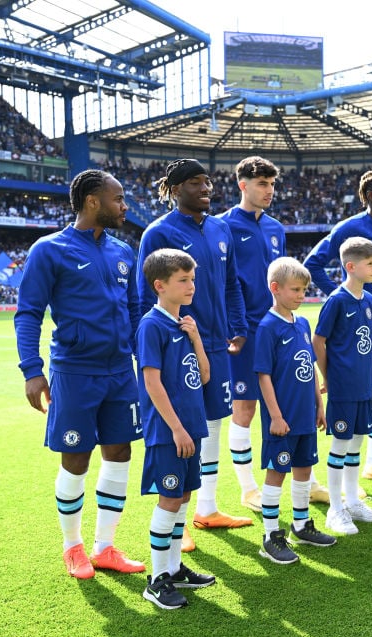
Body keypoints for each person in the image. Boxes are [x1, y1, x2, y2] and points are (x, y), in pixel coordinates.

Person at [14, 169, 145, 579]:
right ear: (93, 201)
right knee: (75, 458)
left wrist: (148, 363)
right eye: (118, 198)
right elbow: (29, 313)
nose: (125, 206)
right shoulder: (49, 250)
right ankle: (73, 547)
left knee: (120, 453)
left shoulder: (124, 251)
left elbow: (136, 312)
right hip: (74, 373)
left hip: (121, 372)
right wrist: (32, 371)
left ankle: (105, 547)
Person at [137, 159, 252, 552]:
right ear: (175, 188)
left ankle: (207, 507)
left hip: (216, 343)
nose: (206, 188)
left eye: (208, 182)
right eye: (196, 183)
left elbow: (232, 283)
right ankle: (178, 519)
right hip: (176, 346)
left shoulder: (221, 228)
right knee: (181, 428)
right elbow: (143, 295)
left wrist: (237, 326)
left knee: (213, 424)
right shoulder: (159, 232)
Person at [304, 170, 372, 484]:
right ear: (371, 195)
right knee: (358, 392)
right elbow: (312, 264)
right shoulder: (349, 228)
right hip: (360, 324)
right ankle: (344, 478)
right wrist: (340, 292)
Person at [136, 248, 216, 609]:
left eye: (192, 279)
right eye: (183, 280)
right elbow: (152, 384)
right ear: (160, 285)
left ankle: (174, 567)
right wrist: (177, 429)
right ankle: (156, 579)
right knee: (169, 499)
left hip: (191, 428)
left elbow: (204, 377)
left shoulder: (183, 324)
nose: (191, 286)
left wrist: (197, 338)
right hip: (169, 433)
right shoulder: (151, 325)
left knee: (183, 496)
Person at [254, 257, 336, 564]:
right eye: (296, 290)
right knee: (277, 473)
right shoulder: (267, 327)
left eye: (304, 289)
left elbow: (310, 366)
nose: (302, 295)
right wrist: (275, 416)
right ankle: (271, 535)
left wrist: (319, 403)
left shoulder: (302, 323)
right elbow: (263, 375)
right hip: (282, 419)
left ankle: (301, 525)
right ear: (276, 289)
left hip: (305, 415)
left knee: (304, 470)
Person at [217, 156, 286, 511]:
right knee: (244, 408)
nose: (269, 190)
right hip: (242, 333)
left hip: (276, 329)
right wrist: (233, 326)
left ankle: (298, 475)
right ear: (243, 185)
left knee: (283, 402)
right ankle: (247, 488)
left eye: (272, 184)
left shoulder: (276, 228)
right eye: (262, 184)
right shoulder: (221, 226)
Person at [313, 237, 372, 535]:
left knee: (357, 442)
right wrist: (328, 375)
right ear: (350, 266)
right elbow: (318, 340)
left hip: (363, 384)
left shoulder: (368, 300)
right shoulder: (336, 300)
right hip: (343, 386)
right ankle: (335, 508)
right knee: (341, 445)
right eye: (370, 263)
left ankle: (353, 501)